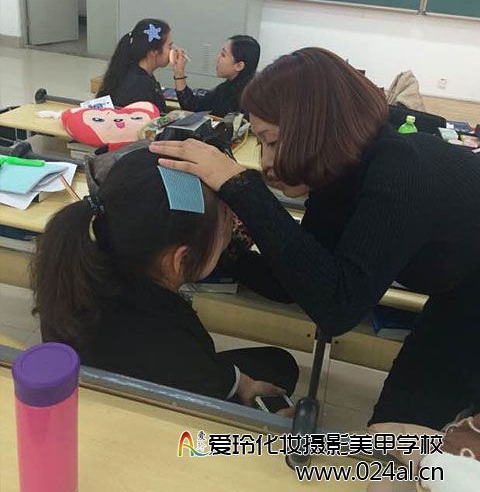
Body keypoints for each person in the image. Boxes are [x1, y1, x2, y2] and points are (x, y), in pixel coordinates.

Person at [149, 47, 480, 433]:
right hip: (460, 285)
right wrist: (221, 246)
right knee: (395, 428)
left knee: (399, 437)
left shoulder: (400, 172)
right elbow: (296, 281)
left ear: (317, 129)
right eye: (261, 143)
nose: (266, 161)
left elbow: (337, 308)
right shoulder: (340, 170)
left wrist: (242, 187)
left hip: (469, 294)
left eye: (273, 142)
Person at [31, 148, 298, 405]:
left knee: (275, 363)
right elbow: (199, 382)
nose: (233, 229)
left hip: (112, 388)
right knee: (280, 367)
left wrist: (237, 381)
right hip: (157, 412)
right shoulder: (177, 350)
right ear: (181, 260)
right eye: (228, 227)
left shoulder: (80, 273)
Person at [172, 35, 260, 117]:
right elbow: (193, 106)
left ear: (239, 66)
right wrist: (179, 72)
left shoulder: (249, 99)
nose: (217, 59)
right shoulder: (227, 88)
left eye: (223, 55)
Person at [97, 19, 172, 113]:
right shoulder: (140, 85)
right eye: (169, 47)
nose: (172, 51)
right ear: (153, 51)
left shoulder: (135, 71)